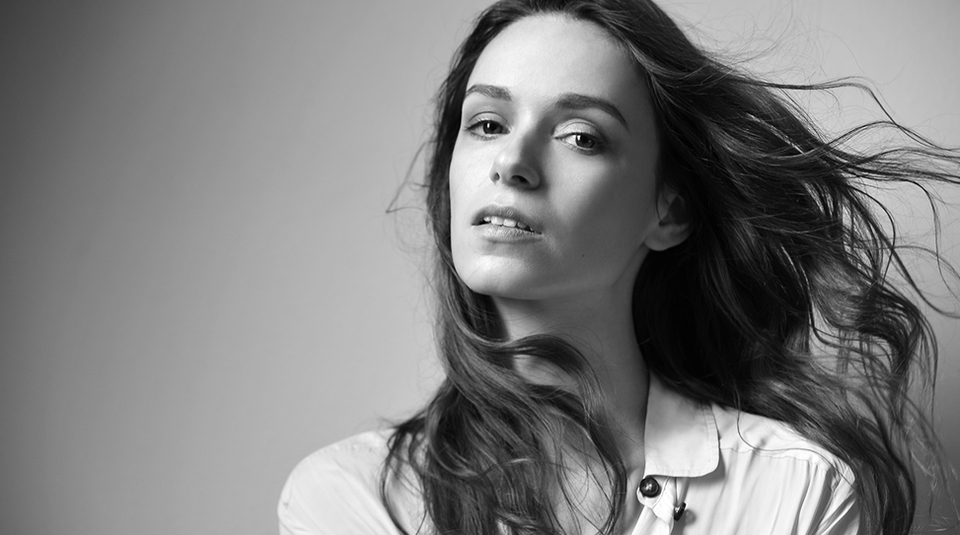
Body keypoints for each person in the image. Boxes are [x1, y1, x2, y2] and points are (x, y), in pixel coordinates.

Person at [279, 0, 959, 533]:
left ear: (669, 211)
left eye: (580, 136)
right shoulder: (350, 498)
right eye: (486, 124)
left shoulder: (794, 489)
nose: (511, 162)